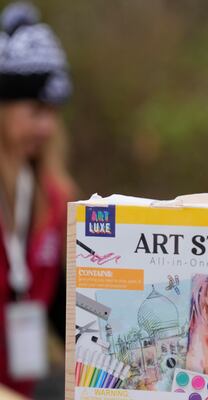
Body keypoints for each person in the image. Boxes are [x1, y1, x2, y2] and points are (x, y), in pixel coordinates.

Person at [0, 2, 74, 396]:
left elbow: (60, 304)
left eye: (53, 113)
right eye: (35, 111)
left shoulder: (53, 197)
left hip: (21, 385)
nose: (46, 127)